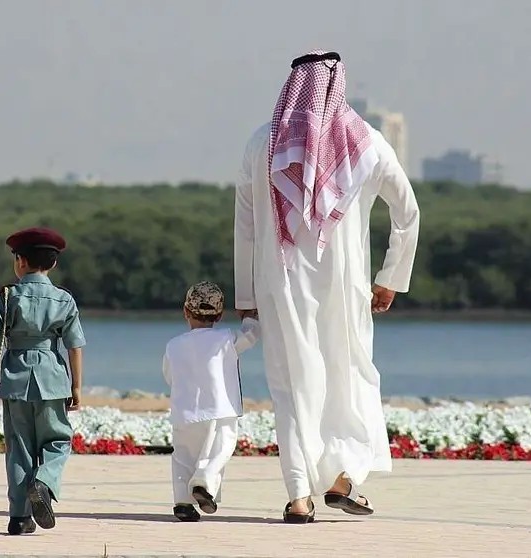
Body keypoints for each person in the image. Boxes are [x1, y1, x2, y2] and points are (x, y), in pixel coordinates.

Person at [234, 50, 420, 523]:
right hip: (346, 287)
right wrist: (389, 279)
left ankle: (299, 497)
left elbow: (246, 227)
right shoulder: (369, 144)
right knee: (348, 377)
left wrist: (247, 297)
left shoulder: (263, 144)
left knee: (292, 387)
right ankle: (342, 479)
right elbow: (408, 213)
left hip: (279, 287)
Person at [0, 226, 86, 535]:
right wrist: (76, 386)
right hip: (52, 377)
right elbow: (74, 345)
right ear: (53, 264)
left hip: (15, 378)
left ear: (20, 262)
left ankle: (19, 517)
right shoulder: (64, 299)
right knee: (58, 439)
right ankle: (45, 482)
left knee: (19, 447)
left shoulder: (7, 296)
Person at [162, 281, 260, 522]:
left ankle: (183, 503)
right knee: (220, 449)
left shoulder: (173, 345)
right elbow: (252, 335)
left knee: (182, 457)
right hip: (220, 410)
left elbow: (169, 375)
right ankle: (204, 483)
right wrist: (250, 316)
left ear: (186, 312)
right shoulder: (227, 339)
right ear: (219, 314)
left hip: (184, 412)